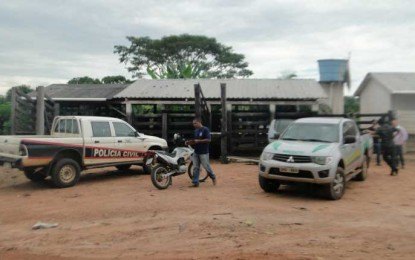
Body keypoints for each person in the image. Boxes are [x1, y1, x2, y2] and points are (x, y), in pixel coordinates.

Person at [185, 118, 216, 187]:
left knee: (206, 166)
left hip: (204, 152)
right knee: (195, 167)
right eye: (193, 123)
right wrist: (189, 142)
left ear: (199, 122)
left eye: (195, 123)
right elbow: (195, 141)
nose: (194, 125)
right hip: (196, 151)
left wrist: (199, 141)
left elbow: (209, 139)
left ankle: (213, 176)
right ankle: (195, 182)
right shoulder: (196, 131)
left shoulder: (205, 129)